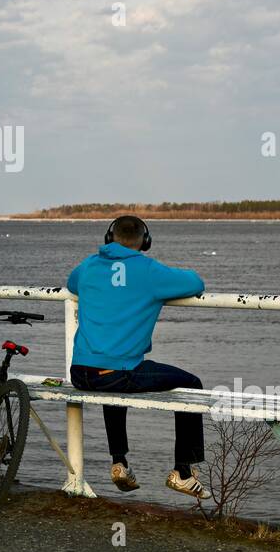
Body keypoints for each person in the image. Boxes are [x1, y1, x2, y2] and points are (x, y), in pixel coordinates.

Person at [66, 214, 212, 500]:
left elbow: (72, 285)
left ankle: (119, 462)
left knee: (114, 377)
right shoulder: (148, 271)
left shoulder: (89, 265)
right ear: (145, 242)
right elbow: (196, 283)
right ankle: (183, 473)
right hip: (117, 373)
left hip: (81, 372)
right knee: (192, 385)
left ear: (110, 237)